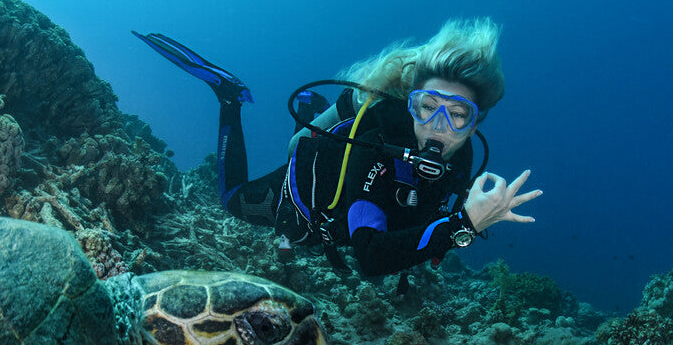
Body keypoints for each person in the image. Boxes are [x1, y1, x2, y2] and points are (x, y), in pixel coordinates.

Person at [132, 18, 540, 278]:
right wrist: (465, 225)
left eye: (458, 115)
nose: (438, 128)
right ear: (409, 104)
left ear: (476, 123)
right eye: (427, 107)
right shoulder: (376, 147)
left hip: (347, 192)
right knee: (230, 198)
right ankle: (229, 97)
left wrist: (458, 223)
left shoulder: (463, 157)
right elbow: (371, 256)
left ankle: (311, 114)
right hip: (302, 201)